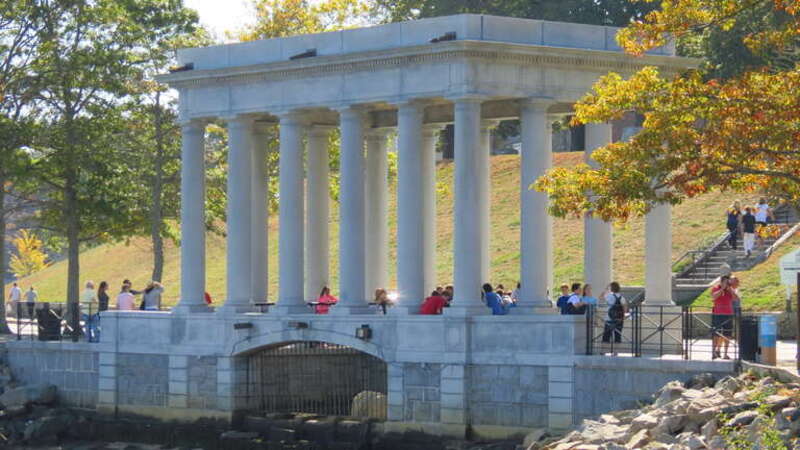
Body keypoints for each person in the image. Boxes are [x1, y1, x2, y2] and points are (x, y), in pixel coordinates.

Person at [710, 275, 737, 359]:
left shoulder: (730, 290)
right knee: (716, 334)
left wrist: (730, 289)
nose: (727, 283)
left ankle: (725, 353)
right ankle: (714, 352)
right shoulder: (715, 288)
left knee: (727, 334)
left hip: (728, 314)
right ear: (721, 282)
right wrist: (722, 289)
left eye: (727, 282)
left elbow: (735, 298)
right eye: (725, 282)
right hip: (717, 314)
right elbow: (714, 297)